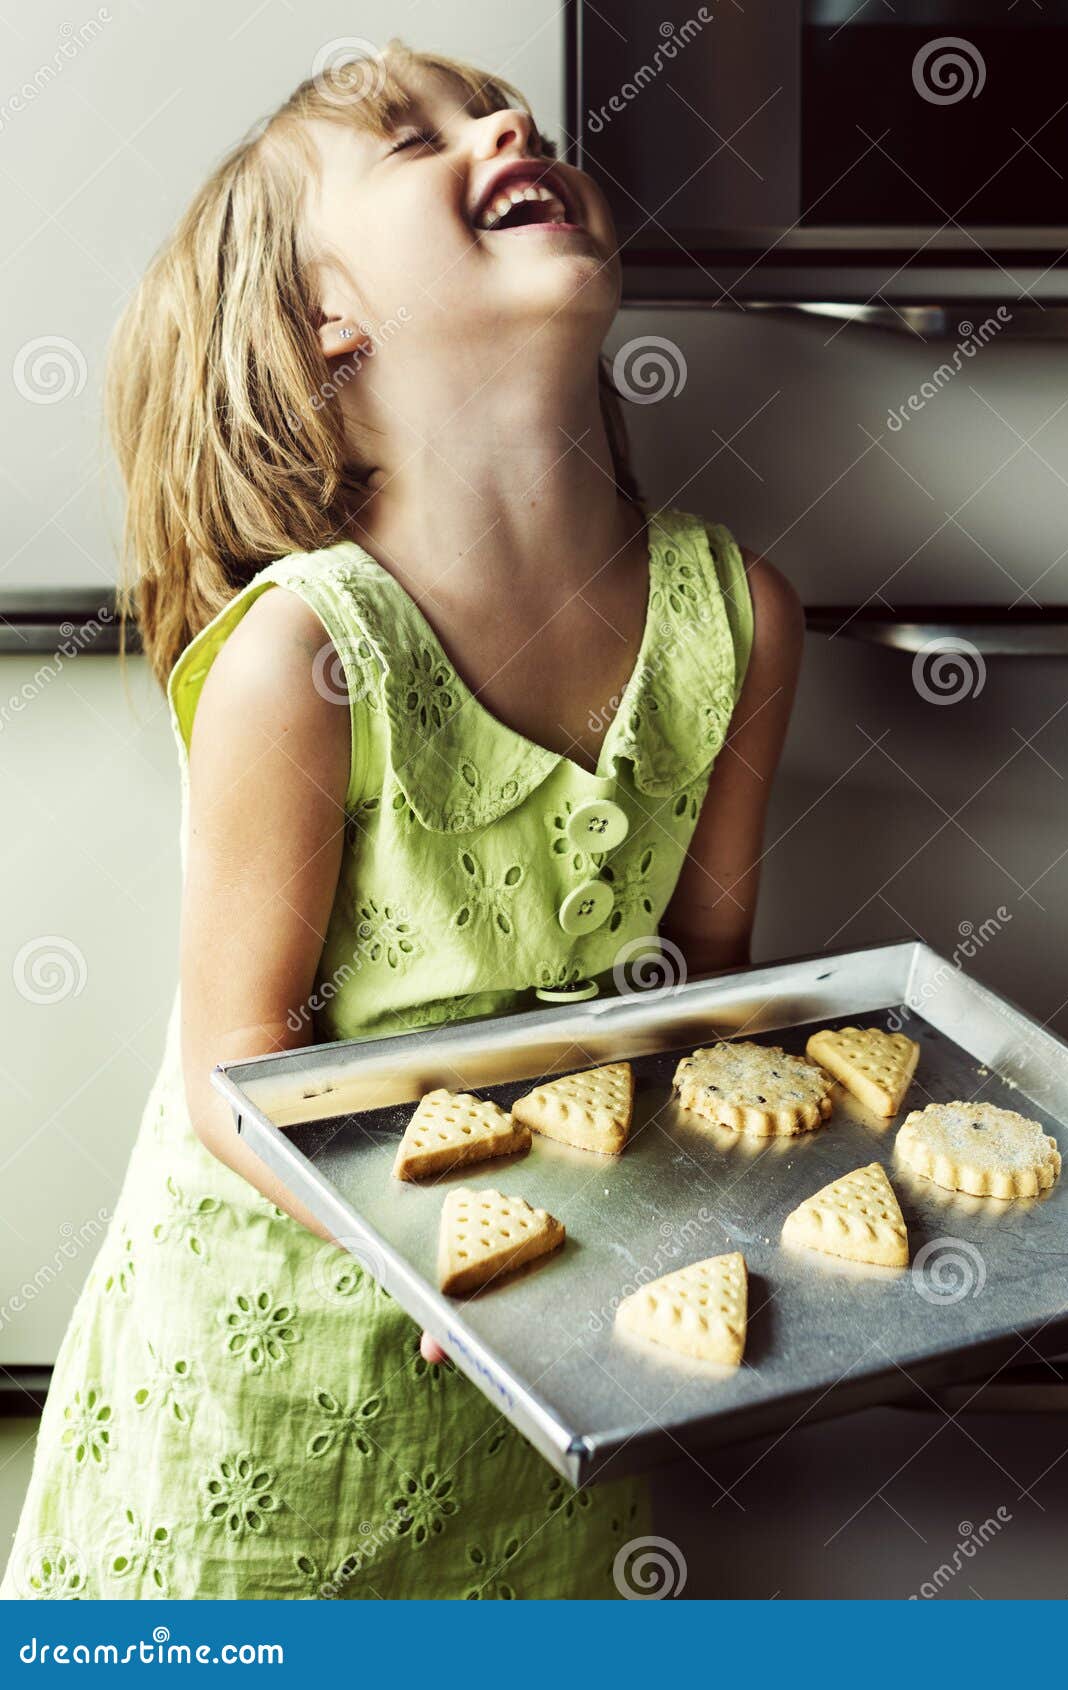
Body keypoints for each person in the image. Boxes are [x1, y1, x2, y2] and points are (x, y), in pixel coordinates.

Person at [3, 39, 802, 1600]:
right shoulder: (307, 658)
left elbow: (701, 993)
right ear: (325, 323)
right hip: (273, 1409)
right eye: (410, 139)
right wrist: (443, 1243)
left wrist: (697, 1222)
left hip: (546, 1376)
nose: (507, 124)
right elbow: (235, 1074)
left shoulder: (742, 621)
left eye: (498, 112)